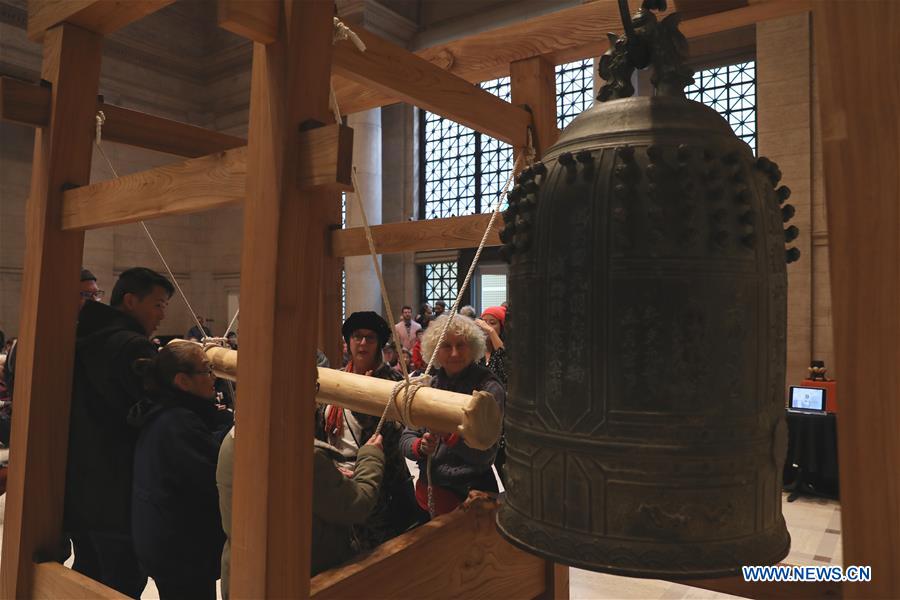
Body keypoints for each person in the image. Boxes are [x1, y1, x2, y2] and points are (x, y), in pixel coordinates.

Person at [65, 267, 174, 598]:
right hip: (119, 486)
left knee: (87, 571)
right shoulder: (131, 347)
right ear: (130, 301)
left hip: (79, 484)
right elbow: (156, 410)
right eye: (157, 304)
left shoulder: (79, 338)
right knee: (122, 580)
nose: (162, 314)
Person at [129, 342, 226, 600]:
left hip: (162, 539)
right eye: (207, 370)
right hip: (179, 548)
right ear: (183, 381)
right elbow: (212, 479)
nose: (214, 377)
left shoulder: (166, 412)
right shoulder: (179, 424)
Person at [316, 311, 419, 550]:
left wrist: (366, 400)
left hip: (380, 486)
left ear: (379, 344)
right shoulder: (337, 379)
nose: (362, 343)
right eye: (357, 336)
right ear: (348, 341)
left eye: (370, 338)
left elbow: (392, 438)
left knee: (377, 556)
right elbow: (321, 427)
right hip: (338, 478)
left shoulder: (393, 383)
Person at [400, 315, 505, 516]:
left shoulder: (489, 388)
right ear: (435, 351)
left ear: (473, 347)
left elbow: (486, 455)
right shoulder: (428, 385)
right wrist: (420, 447)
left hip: (473, 495)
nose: (454, 353)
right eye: (446, 346)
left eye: (461, 345)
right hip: (430, 491)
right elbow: (406, 438)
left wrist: (450, 436)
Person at [476, 305, 508, 386]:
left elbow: (505, 371)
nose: (486, 326)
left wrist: (491, 331)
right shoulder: (477, 349)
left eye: (492, 323)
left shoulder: (508, 350)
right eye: (484, 322)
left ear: (502, 327)